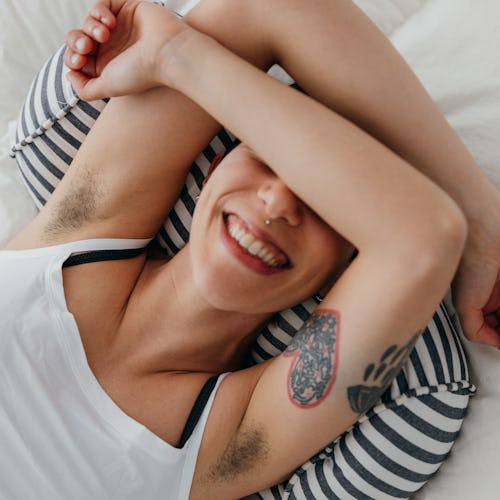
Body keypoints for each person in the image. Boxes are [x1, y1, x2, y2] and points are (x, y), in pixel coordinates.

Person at [1, 1, 496, 499]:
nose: (278, 201)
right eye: (264, 159)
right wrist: (173, 53)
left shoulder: (236, 443)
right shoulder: (80, 224)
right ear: (212, 170)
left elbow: (423, 239)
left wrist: (479, 231)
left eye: (328, 207)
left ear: (345, 276)